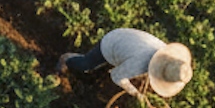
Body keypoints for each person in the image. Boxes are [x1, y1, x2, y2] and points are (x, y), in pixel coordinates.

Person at [52, 28, 192, 98]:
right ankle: (67, 59)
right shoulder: (140, 63)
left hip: (126, 37)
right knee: (86, 66)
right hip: (111, 43)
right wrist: (135, 93)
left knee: (127, 64)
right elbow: (116, 76)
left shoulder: (165, 52)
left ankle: (120, 57)